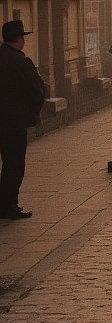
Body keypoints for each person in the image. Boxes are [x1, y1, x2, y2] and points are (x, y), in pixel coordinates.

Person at [0, 20, 46, 220]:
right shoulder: (22, 62)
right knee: (14, 164)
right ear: (19, 39)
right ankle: (9, 205)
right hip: (13, 123)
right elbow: (36, 92)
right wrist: (33, 112)